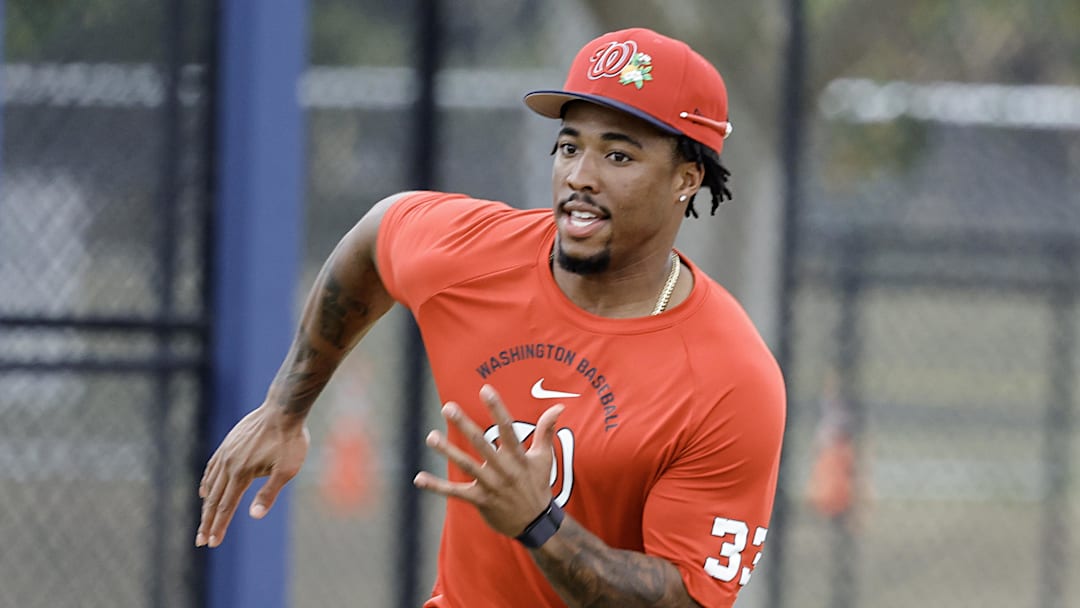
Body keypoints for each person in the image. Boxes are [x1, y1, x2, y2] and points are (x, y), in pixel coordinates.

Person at [196, 27, 786, 608]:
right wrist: (284, 408)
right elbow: (377, 238)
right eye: (569, 146)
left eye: (617, 154)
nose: (580, 175)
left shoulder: (729, 378)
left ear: (687, 178)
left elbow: (686, 599)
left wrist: (540, 524)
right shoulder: (477, 255)